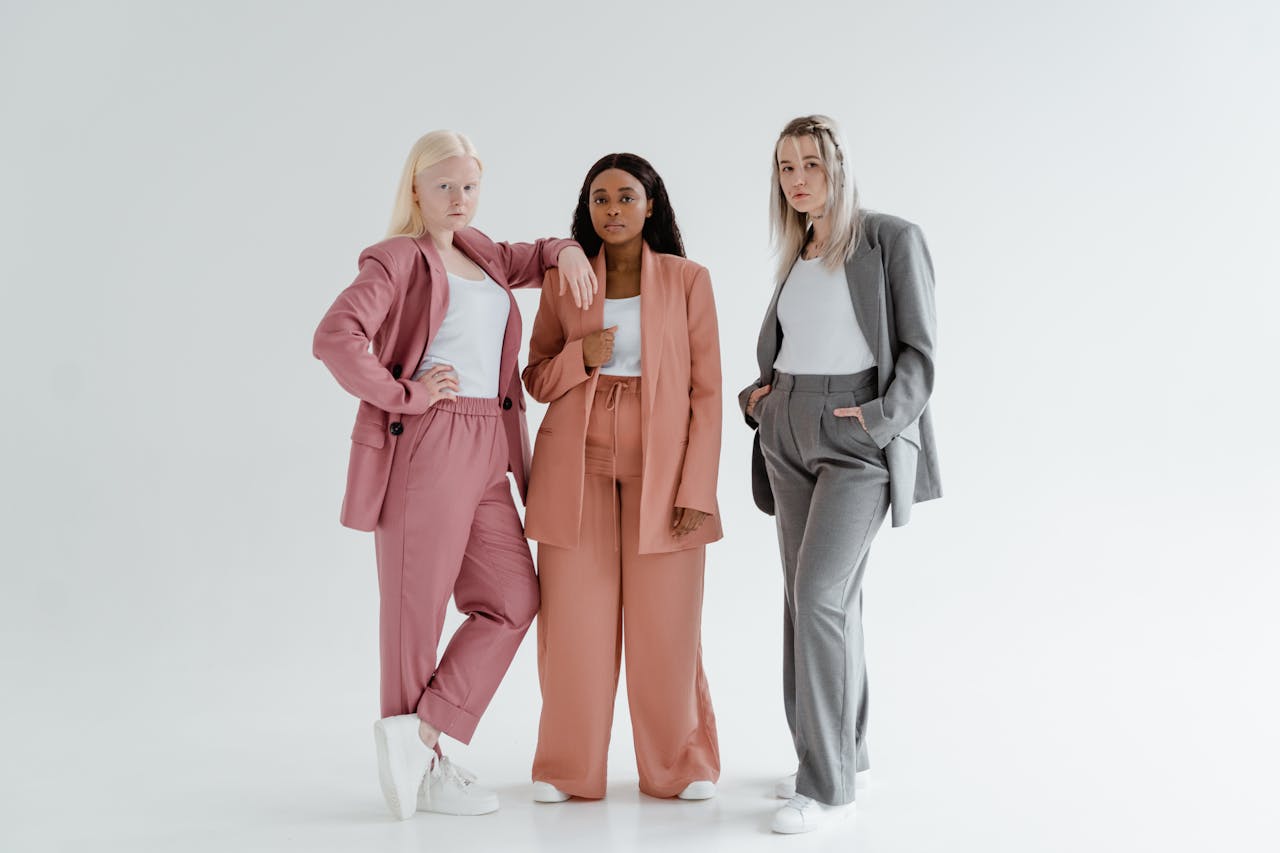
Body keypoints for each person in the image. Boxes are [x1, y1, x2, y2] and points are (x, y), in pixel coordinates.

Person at [312, 130, 596, 821]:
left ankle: (424, 735)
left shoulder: (480, 251)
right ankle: (424, 772)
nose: (459, 198)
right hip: (431, 441)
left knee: (513, 597)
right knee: (415, 612)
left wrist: (564, 249)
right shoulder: (398, 259)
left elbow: (531, 256)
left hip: (489, 446)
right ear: (416, 189)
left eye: (469, 185)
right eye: (444, 186)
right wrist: (407, 394)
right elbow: (335, 336)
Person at [738, 115, 942, 834]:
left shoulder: (890, 238)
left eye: (811, 165)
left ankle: (824, 789)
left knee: (819, 593)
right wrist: (757, 399)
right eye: (786, 167)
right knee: (813, 602)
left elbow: (919, 355)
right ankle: (838, 753)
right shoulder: (799, 250)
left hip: (853, 436)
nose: (797, 180)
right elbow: (791, 343)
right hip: (785, 430)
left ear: (840, 166)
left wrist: (880, 419)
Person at [522, 153, 723, 803]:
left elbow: (708, 394)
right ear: (587, 208)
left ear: (651, 205)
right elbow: (536, 379)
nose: (612, 210)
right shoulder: (564, 281)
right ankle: (565, 768)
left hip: (664, 470)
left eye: (625, 197)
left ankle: (681, 765)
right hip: (575, 467)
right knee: (574, 629)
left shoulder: (690, 280)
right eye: (600, 199)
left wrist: (696, 491)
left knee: (668, 628)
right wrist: (582, 355)